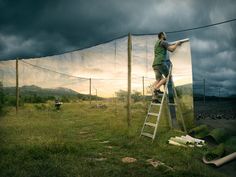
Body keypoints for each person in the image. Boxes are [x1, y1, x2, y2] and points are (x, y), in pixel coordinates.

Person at [152, 32, 182, 103]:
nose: (166, 36)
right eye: (165, 34)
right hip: (160, 62)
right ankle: (155, 89)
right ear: (162, 35)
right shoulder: (163, 42)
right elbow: (171, 49)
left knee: (159, 79)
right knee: (168, 77)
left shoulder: (156, 44)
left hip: (155, 64)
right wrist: (177, 44)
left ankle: (154, 98)